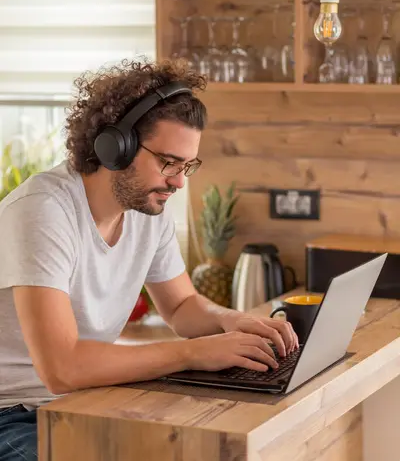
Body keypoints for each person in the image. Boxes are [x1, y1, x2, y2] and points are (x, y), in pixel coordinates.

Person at [0, 58, 298, 460]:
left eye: (187, 165)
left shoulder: (146, 205)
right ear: (114, 146)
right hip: (12, 412)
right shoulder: (43, 210)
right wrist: (193, 353)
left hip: (82, 400)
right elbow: (62, 366)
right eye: (168, 162)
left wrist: (228, 318)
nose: (178, 182)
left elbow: (180, 306)